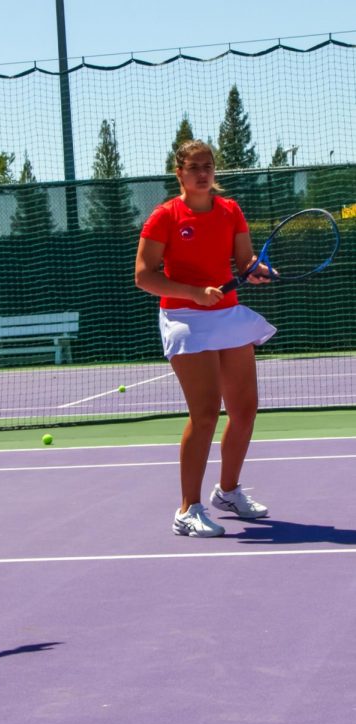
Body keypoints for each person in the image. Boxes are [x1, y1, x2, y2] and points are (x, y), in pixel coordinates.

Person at [134, 139, 275, 538]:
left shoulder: (230, 210)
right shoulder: (165, 216)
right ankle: (187, 509)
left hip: (227, 314)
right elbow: (145, 275)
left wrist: (257, 269)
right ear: (178, 172)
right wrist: (194, 293)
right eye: (194, 166)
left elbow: (244, 262)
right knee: (207, 412)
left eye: (208, 166)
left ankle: (228, 491)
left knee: (245, 409)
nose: (202, 173)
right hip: (183, 316)